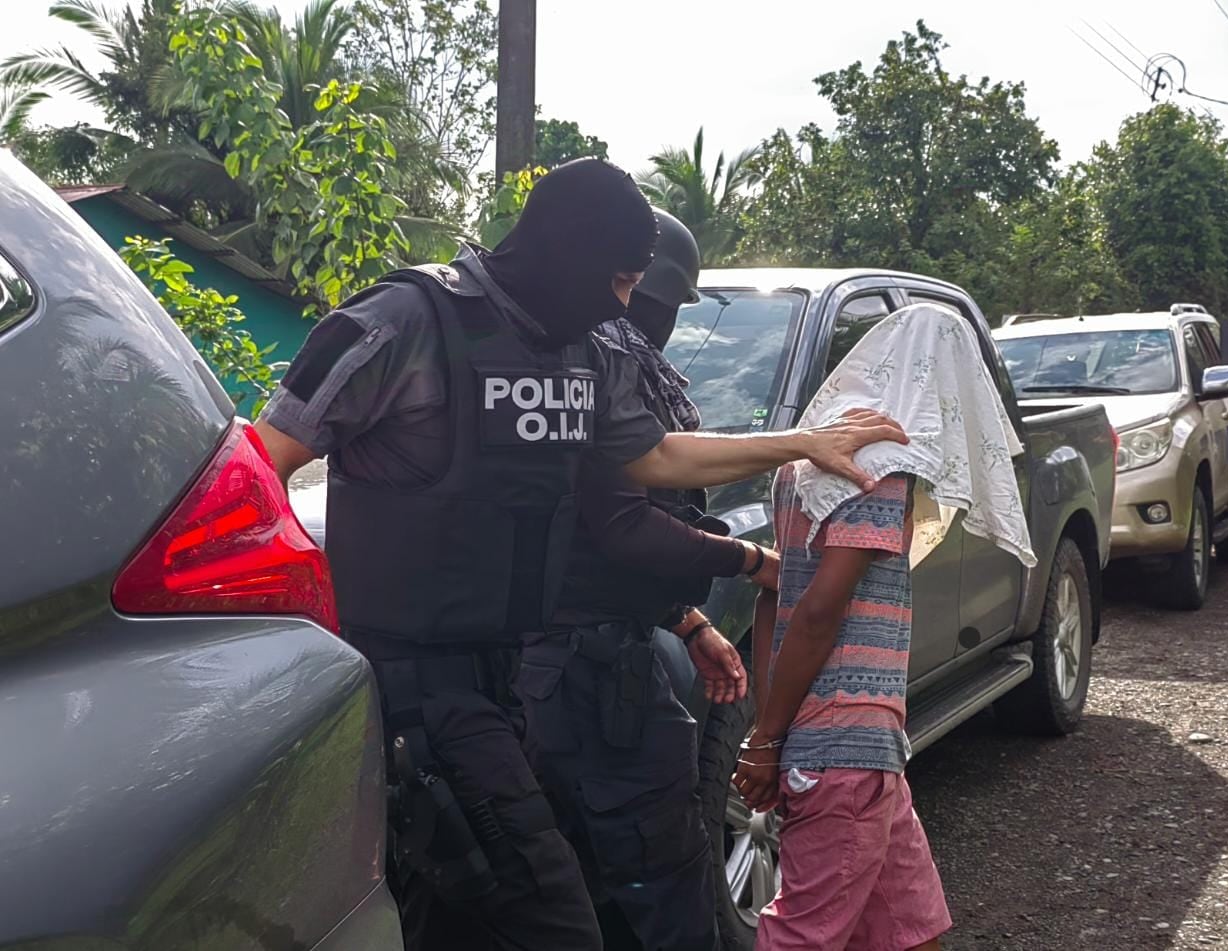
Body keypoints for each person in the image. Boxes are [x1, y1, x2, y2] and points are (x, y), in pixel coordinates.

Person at [252, 158, 907, 951]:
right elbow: (263, 460)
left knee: (455, 921)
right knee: (559, 924)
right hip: (411, 686)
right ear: (567, 254)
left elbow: (655, 458)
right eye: (623, 281)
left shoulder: (582, 351)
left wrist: (799, 442)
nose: (627, 305)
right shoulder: (406, 319)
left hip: (506, 679)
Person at [734, 304, 1037, 951]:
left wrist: (773, 724)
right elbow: (818, 609)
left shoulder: (808, 458)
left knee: (909, 926)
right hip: (844, 751)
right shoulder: (875, 463)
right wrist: (765, 739)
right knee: (803, 935)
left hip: (864, 748)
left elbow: (775, 597)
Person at [518, 210, 775, 951]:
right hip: (587, 676)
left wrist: (689, 620)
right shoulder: (603, 366)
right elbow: (623, 525)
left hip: (551, 668)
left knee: (574, 882)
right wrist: (751, 562)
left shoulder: (562, 360)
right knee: (668, 884)